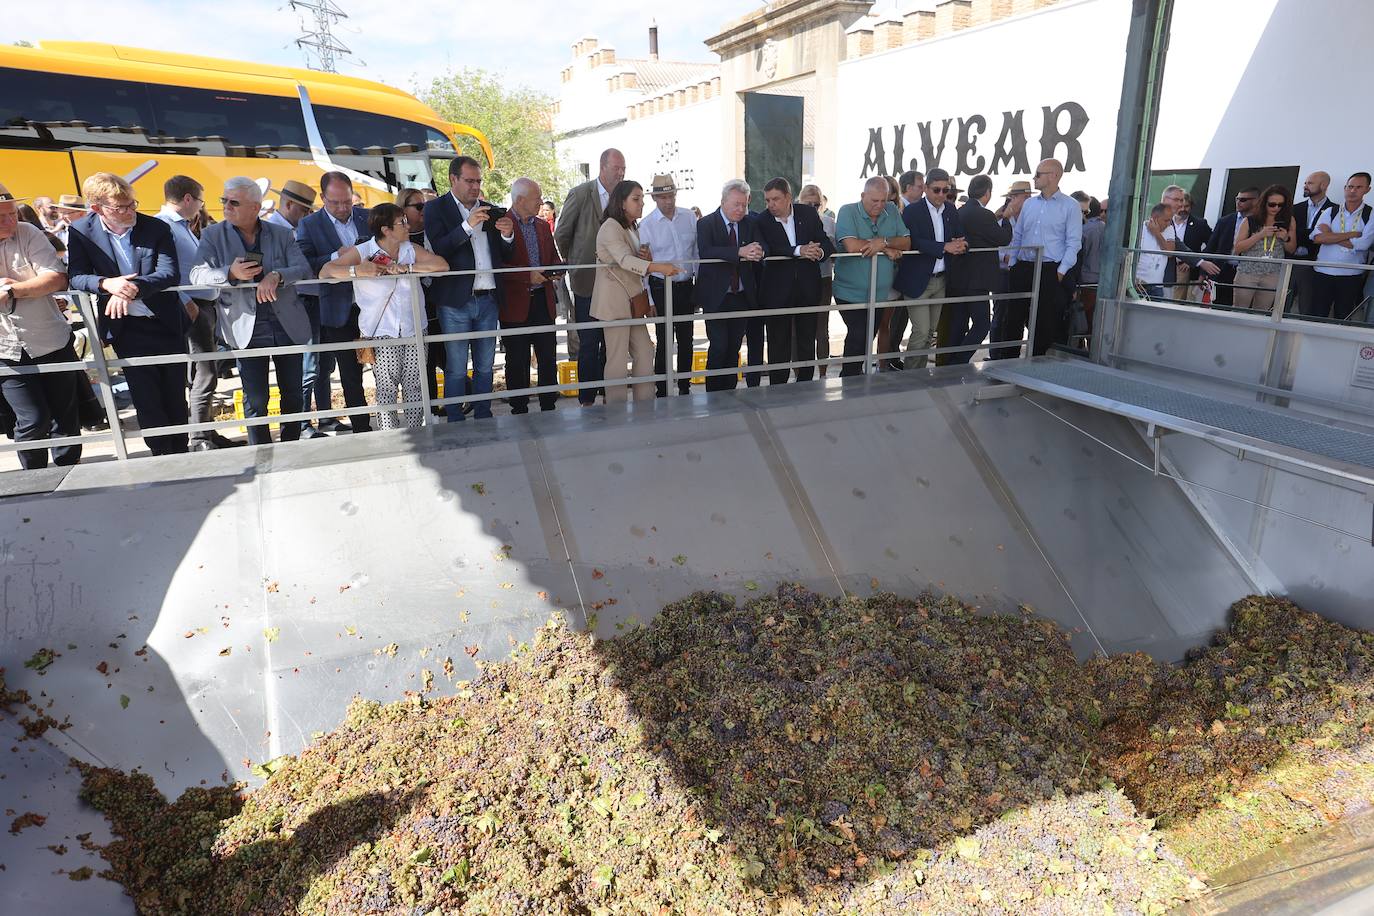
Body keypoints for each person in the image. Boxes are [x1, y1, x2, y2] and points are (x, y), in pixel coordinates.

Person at [66, 172, 189, 456]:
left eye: (132, 204)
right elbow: (76, 276)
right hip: (126, 328)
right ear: (98, 209)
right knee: (146, 398)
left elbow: (169, 273)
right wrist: (107, 284)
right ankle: (161, 454)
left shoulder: (155, 227)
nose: (130, 211)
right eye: (120, 207)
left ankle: (181, 451)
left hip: (165, 322)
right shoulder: (81, 231)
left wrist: (129, 289)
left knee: (174, 394)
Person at [190, 177, 314, 445]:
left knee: (293, 393)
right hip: (245, 327)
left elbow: (303, 269)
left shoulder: (281, 234)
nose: (226, 206)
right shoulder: (213, 235)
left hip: (286, 324)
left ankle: (292, 447)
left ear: (255, 207)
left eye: (234, 202)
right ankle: (261, 452)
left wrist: (277, 275)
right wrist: (229, 273)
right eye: (224, 200)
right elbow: (197, 275)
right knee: (256, 398)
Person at [320, 203, 447, 429]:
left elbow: (441, 265)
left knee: (415, 386)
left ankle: (416, 433)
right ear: (386, 229)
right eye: (402, 223)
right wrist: (357, 271)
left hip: (414, 328)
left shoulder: (410, 249)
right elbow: (325, 272)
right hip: (381, 332)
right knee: (387, 389)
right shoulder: (363, 251)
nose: (408, 226)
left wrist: (409, 268)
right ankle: (389, 437)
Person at [423, 155, 515, 421]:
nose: (475, 187)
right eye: (469, 181)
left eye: (478, 181)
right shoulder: (436, 208)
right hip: (455, 301)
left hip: (488, 298)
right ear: (453, 179)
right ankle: (454, 417)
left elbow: (506, 255)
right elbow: (439, 248)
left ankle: (484, 414)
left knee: (486, 365)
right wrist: (467, 225)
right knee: (456, 366)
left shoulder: (490, 209)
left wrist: (508, 234)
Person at [0, 182, 83, 469]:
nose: (10, 220)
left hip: (50, 338)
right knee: (32, 419)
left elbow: (56, 279)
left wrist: (12, 290)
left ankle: (69, 472)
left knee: (65, 416)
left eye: (12, 213)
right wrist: (30, 286)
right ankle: (33, 477)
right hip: (5, 350)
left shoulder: (29, 232)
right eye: (1, 216)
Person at [155, 175, 233, 451]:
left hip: (200, 306)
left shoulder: (179, 226)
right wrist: (186, 301)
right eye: (200, 201)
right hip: (192, 309)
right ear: (188, 199)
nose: (201, 206)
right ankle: (199, 437)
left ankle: (205, 432)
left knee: (203, 373)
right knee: (204, 373)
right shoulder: (165, 226)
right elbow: (164, 271)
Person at [296, 171, 371, 434]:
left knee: (385, 366)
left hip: (374, 305)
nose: (342, 208)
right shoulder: (309, 224)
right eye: (335, 202)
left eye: (347, 201)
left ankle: (391, 420)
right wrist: (334, 256)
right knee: (350, 373)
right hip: (339, 308)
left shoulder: (367, 217)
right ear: (322, 198)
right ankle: (362, 427)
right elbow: (305, 264)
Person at [593, 181, 680, 402]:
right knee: (617, 359)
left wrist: (647, 260)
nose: (641, 203)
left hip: (632, 301)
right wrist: (658, 267)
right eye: (636, 199)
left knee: (645, 351)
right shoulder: (610, 227)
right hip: (614, 304)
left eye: (641, 198)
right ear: (622, 202)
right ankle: (617, 408)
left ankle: (645, 404)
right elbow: (624, 260)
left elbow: (633, 262)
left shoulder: (630, 226)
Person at [556, 148, 624, 405]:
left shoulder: (623, 196)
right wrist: (575, 263)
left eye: (623, 169)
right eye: (616, 168)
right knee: (588, 341)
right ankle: (586, 399)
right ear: (602, 167)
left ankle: (609, 394)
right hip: (587, 282)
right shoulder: (581, 193)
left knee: (612, 342)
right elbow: (562, 234)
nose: (621, 173)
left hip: (616, 281)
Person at [995, 159, 1082, 358]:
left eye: (1038, 174)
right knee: (1013, 316)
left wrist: (1060, 271)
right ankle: (1007, 360)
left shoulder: (1070, 206)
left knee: (1045, 320)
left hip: (1050, 268)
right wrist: (1014, 263)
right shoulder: (1030, 204)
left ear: (1053, 176)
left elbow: (1074, 243)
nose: (1034, 178)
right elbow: (1018, 235)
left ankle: (1037, 364)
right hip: (1023, 266)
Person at [755, 177, 834, 384]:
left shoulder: (807, 213)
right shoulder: (762, 220)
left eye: (776, 199)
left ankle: (805, 385)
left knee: (807, 340)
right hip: (777, 292)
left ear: (788, 197)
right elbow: (769, 248)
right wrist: (799, 250)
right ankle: (778, 387)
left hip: (808, 288)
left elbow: (826, 243)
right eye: (767, 200)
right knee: (778, 343)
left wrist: (819, 252)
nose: (771, 204)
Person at [833, 177, 911, 377]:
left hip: (880, 292)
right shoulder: (847, 211)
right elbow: (851, 246)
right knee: (858, 333)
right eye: (874, 201)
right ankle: (849, 377)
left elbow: (906, 242)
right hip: (850, 292)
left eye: (883, 200)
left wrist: (883, 242)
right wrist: (884, 248)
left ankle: (855, 376)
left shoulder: (891, 209)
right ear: (863, 196)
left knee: (868, 336)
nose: (879, 205)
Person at [498, 178, 562, 414]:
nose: (541, 202)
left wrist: (557, 269)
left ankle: (549, 405)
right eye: (537, 198)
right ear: (520, 200)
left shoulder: (543, 226)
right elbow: (498, 265)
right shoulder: (501, 224)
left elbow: (553, 257)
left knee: (547, 356)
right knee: (517, 359)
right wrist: (527, 276)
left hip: (543, 300)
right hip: (515, 303)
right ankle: (519, 408)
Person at [696, 179, 765, 391]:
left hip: (741, 296)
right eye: (736, 204)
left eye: (744, 205)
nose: (740, 209)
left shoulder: (750, 223)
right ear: (723, 202)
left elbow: (763, 245)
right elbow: (706, 251)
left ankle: (730, 392)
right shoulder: (706, 223)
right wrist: (739, 252)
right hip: (716, 297)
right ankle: (713, 393)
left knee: (734, 346)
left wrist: (758, 251)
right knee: (719, 346)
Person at [895, 168, 966, 369]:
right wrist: (944, 247)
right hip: (917, 280)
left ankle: (919, 373)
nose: (941, 195)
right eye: (937, 190)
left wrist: (962, 245)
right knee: (921, 332)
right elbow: (912, 241)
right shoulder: (912, 211)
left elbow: (960, 235)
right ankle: (910, 375)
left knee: (929, 333)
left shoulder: (950, 210)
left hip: (941, 280)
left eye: (946, 190)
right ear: (926, 188)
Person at [638, 174, 698, 396]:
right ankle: (662, 389)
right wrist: (649, 299)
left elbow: (696, 252)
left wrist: (698, 284)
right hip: (660, 287)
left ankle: (684, 385)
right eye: (663, 197)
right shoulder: (646, 225)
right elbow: (645, 265)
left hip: (686, 285)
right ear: (654, 198)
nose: (668, 201)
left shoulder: (689, 217)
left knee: (687, 338)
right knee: (664, 339)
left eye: (671, 196)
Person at [950, 174, 1013, 363]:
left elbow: (979, 232)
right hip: (977, 281)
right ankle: (959, 361)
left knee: (959, 324)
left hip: (960, 277)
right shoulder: (984, 215)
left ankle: (951, 363)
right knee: (982, 325)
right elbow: (1003, 238)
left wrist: (996, 217)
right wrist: (1006, 219)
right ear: (987, 192)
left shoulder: (960, 211)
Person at [397, 186, 447, 415]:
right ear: (403, 210)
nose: (424, 210)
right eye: (418, 206)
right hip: (412, 309)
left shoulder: (434, 232)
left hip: (438, 303)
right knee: (423, 364)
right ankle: (430, 410)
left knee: (445, 357)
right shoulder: (397, 240)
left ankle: (452, 403)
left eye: (425, 205)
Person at [1309, 172, 1374, 321]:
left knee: (1343, 318)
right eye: (1350, 187)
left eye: (1358, 187)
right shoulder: (1330, 211)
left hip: (1351, 275)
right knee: (1316, 316)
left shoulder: (1370, 214)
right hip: (1323, 272)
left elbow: (1364, 244)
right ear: (1345, 188)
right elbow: (1317, 238)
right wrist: (1352, 235)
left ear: (1367, 190)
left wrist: (1330, 235)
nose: (1353, 191)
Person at [1231, 184, 1297, 312]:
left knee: (1262, 312)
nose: (1276, 208)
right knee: (1239, 310)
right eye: (1272, 204)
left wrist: (1285, 238)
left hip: (1273, 273)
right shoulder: (1250, 220)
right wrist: (1260, 235)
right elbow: (1237, 248)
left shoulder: (1289, 220)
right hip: (1248, 272)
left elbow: (1291, 249)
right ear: (1264, 203)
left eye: (1280, 205)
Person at [798, 184, 837, 375]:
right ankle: (800, 373)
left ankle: (822, 372)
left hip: (823, 277)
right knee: (797, 327)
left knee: (822, 327)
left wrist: (822, 250)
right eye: (808, 204)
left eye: (816, 205)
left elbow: (835, 251)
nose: (812, 208)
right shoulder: (794, 221)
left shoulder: (829, 222)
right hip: (800, 278)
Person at [1204, 188, 1260, 307]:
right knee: (1218, 307)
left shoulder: (1261, 223)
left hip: (1248, 272)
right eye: (1237, 199)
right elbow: (1211, 247)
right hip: (1223, 271)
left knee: (1242, 309)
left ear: (1256, 201)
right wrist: (1203, 273)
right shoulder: (1225, 221)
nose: (1238, 202)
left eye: (1243, 200)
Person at [1293, 171, 1336, 317]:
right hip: (1291, 262)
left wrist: (1304, 233)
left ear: (1323, 185)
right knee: (1282, 304)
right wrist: (1314, 234)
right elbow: (1292, 233)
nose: (1305, 186)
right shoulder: (1295, 208)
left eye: (1310, 183)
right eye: (1305, 183)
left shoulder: (1335, 211)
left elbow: (1327, 237)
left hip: (1316, 265)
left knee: (1308, 308)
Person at [1135, 203, 1177, 299]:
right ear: (1154, 218)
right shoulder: (1140, 228)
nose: (1169, 223)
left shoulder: (1170, 229)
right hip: (1139, 283)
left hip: (1157, 286)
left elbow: (1170, 253)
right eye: (1166, 220)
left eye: (1170, 220)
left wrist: (1156, 233)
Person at [1077, 197, 1105, 331]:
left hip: (1085, 280)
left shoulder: (1083, 230)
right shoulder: (1108, 228)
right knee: (1096, 323)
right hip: (1103, 281)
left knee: (1081, 321)